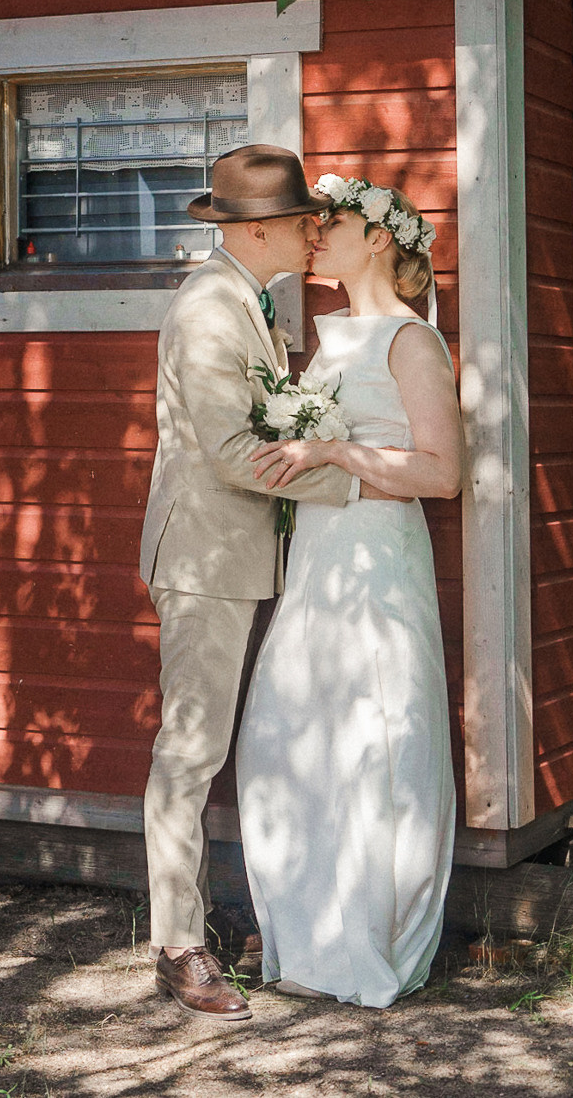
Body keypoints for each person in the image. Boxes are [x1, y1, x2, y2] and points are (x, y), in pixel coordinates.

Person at [137, 144, 362, 1022]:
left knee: (226, 744)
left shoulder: (252, 303)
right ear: (258, 228)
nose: (315, 230)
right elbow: (232, 456)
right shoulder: (208, 312)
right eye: (304, 219)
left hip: (248, 557)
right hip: (203, 560)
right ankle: (176, 945)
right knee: (191, 749)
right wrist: (355, 478)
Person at [237, 176, 463, 1008]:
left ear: (380, 239)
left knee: (372, 735)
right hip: (320, 556)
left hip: (378, 557)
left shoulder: (411, 342)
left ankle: (363, 939)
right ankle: (308, 933)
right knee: (296, 728)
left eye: (335, 220)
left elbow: (444, 472)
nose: (317, 231)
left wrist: (333, 454)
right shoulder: (329, 342)